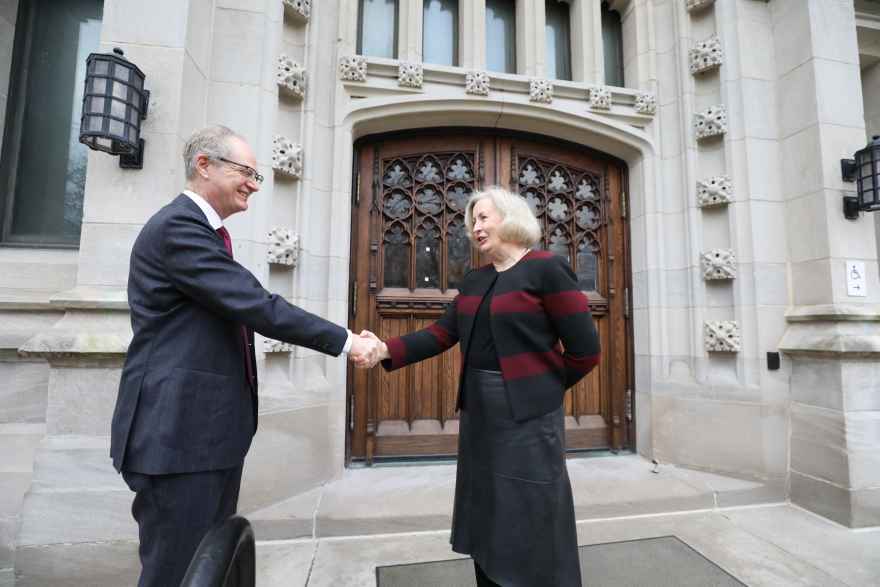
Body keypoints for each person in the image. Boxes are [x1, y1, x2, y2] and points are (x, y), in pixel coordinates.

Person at [109, 125, 380, 587]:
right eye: (246, 172)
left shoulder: (201, 232)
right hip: (177, 439)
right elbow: (256, 305)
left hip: (201, 439)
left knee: (209, 565)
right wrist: (347, 341)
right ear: (204, 166)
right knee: (180, 572)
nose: (255, 183)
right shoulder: (179, 228)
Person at [362, 186, 601, 586]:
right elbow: (442, 333)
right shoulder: (475, 280)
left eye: (484, 217)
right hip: (479, 409)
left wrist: (541, 387)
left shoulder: (546, 269)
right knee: (487, 504)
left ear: (510, 219)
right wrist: (385, 349)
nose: (475, 227)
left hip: (528, 414)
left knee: (530, 505)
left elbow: (586, 351)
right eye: (473, 220)